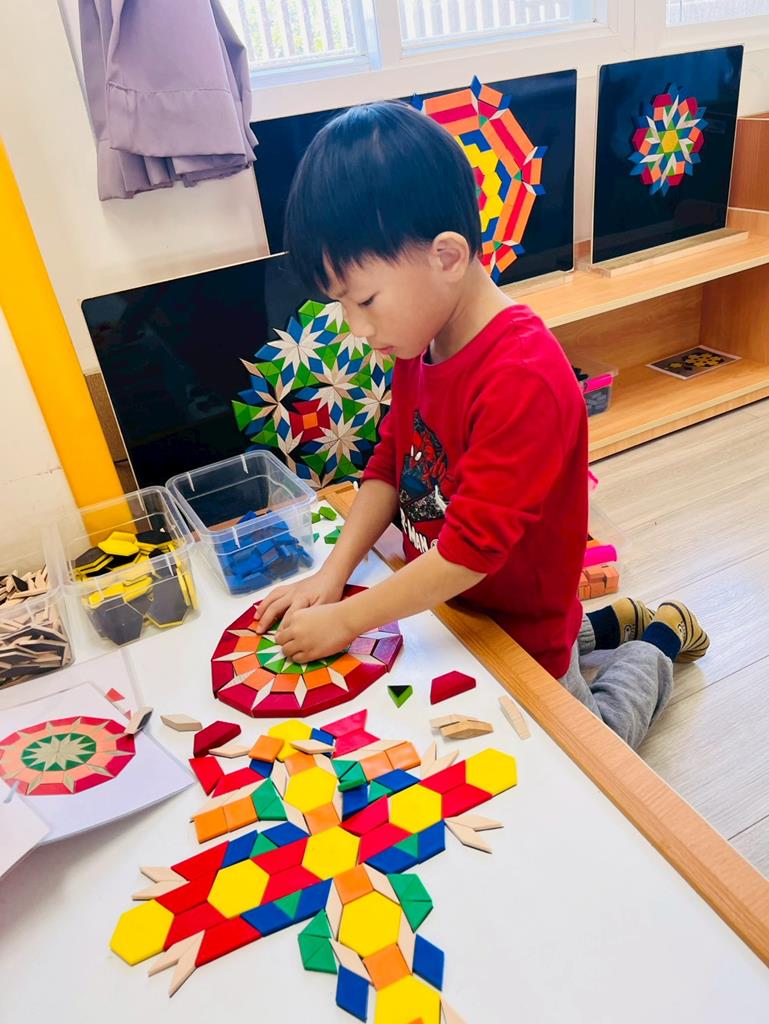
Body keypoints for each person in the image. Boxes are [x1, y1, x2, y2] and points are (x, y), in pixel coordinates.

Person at [254, 101, 708, 749]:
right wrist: (332, 575)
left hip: (524, 631)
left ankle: (658, 637)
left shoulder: (522, 377)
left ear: (446, 257)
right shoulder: (420, 340)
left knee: (596, 746)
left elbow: (467, 554)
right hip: (455, 612)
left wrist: (349, 618)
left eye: (365, 300)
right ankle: (609, 624)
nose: (357, 328)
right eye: (343, 306)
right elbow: (387, 465)